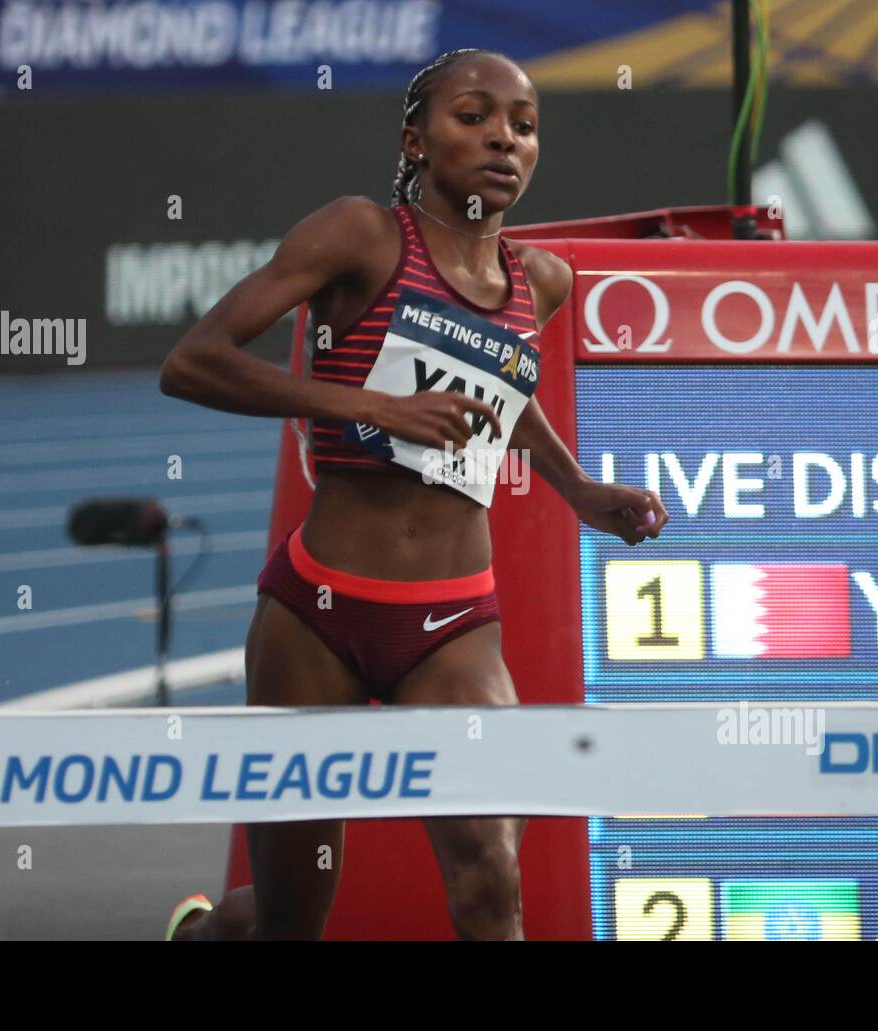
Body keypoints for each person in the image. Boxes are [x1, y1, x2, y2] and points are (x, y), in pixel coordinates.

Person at [159, 47, 668, 942]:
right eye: (473, 116)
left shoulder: (542, 280)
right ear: (416, 138)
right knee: (289, 921)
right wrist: (371, 406)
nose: (502, 138)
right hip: (316, 613)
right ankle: (203, 933)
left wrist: (580, 488)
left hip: (453, 624)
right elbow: (193, 362)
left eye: (523, 124)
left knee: (490, 884)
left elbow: (503, 400)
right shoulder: (359, 235)